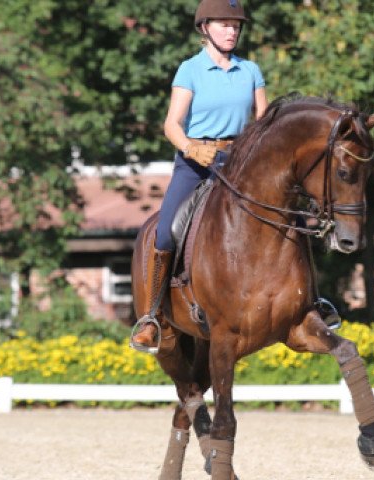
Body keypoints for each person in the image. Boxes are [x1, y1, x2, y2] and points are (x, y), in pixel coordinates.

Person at [130, 0, 268, 352]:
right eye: (224, 24)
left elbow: (265, 125)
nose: (232, 31)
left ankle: (310, 300)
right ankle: (152, 317)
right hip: (195, 161)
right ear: (204, 28)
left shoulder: (250, 70)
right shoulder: (190, 70)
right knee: (165, 232)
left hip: (239, 162)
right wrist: (192, 149)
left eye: (236, 26)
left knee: (282, 216)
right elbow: (171, 125)